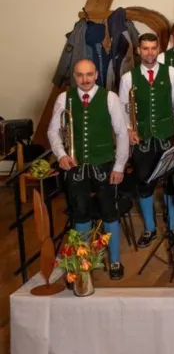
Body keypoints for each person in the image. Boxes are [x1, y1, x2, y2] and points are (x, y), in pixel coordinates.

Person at [49, 59, 130, 279]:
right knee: (80, 212)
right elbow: (53, 131)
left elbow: (122, 133)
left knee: (109, 212)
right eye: (80, 75)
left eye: (89, 74)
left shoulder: (110, 98)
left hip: (104, 163)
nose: (85, 79)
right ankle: (81, 262)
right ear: (74, 76)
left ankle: (115, 261)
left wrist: (119, 166)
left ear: (96, 75)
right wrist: (61, 154)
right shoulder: (64, 98)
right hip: (75, 166)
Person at [118, 34, 174, 247]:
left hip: (168, 137)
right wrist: (129, 130)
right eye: (145, 48)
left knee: (170, 184)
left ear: (159, 49)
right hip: (143, 139)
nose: (150, 53)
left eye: (153, 48)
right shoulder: (128, 78)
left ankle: (172, 227)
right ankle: (150, 228)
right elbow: (123, 109)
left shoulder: (172, 73)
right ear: (138, 51)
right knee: (144, 184)